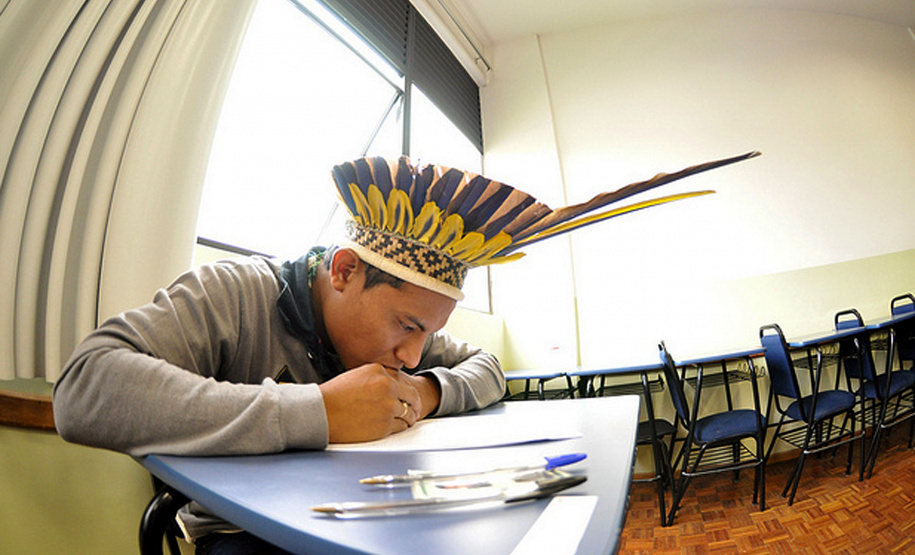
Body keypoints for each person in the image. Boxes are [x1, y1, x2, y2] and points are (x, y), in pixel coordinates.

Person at [53, 152, 759, 554]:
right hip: (249, 536)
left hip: (379, 519)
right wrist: (316, 411)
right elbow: (84, 388)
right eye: (406, 325)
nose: (415, 351)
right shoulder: (232, 293)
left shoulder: (409, 345)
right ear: (343, 271)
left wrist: (428, 392)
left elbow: (485, 366)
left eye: (428, 332)